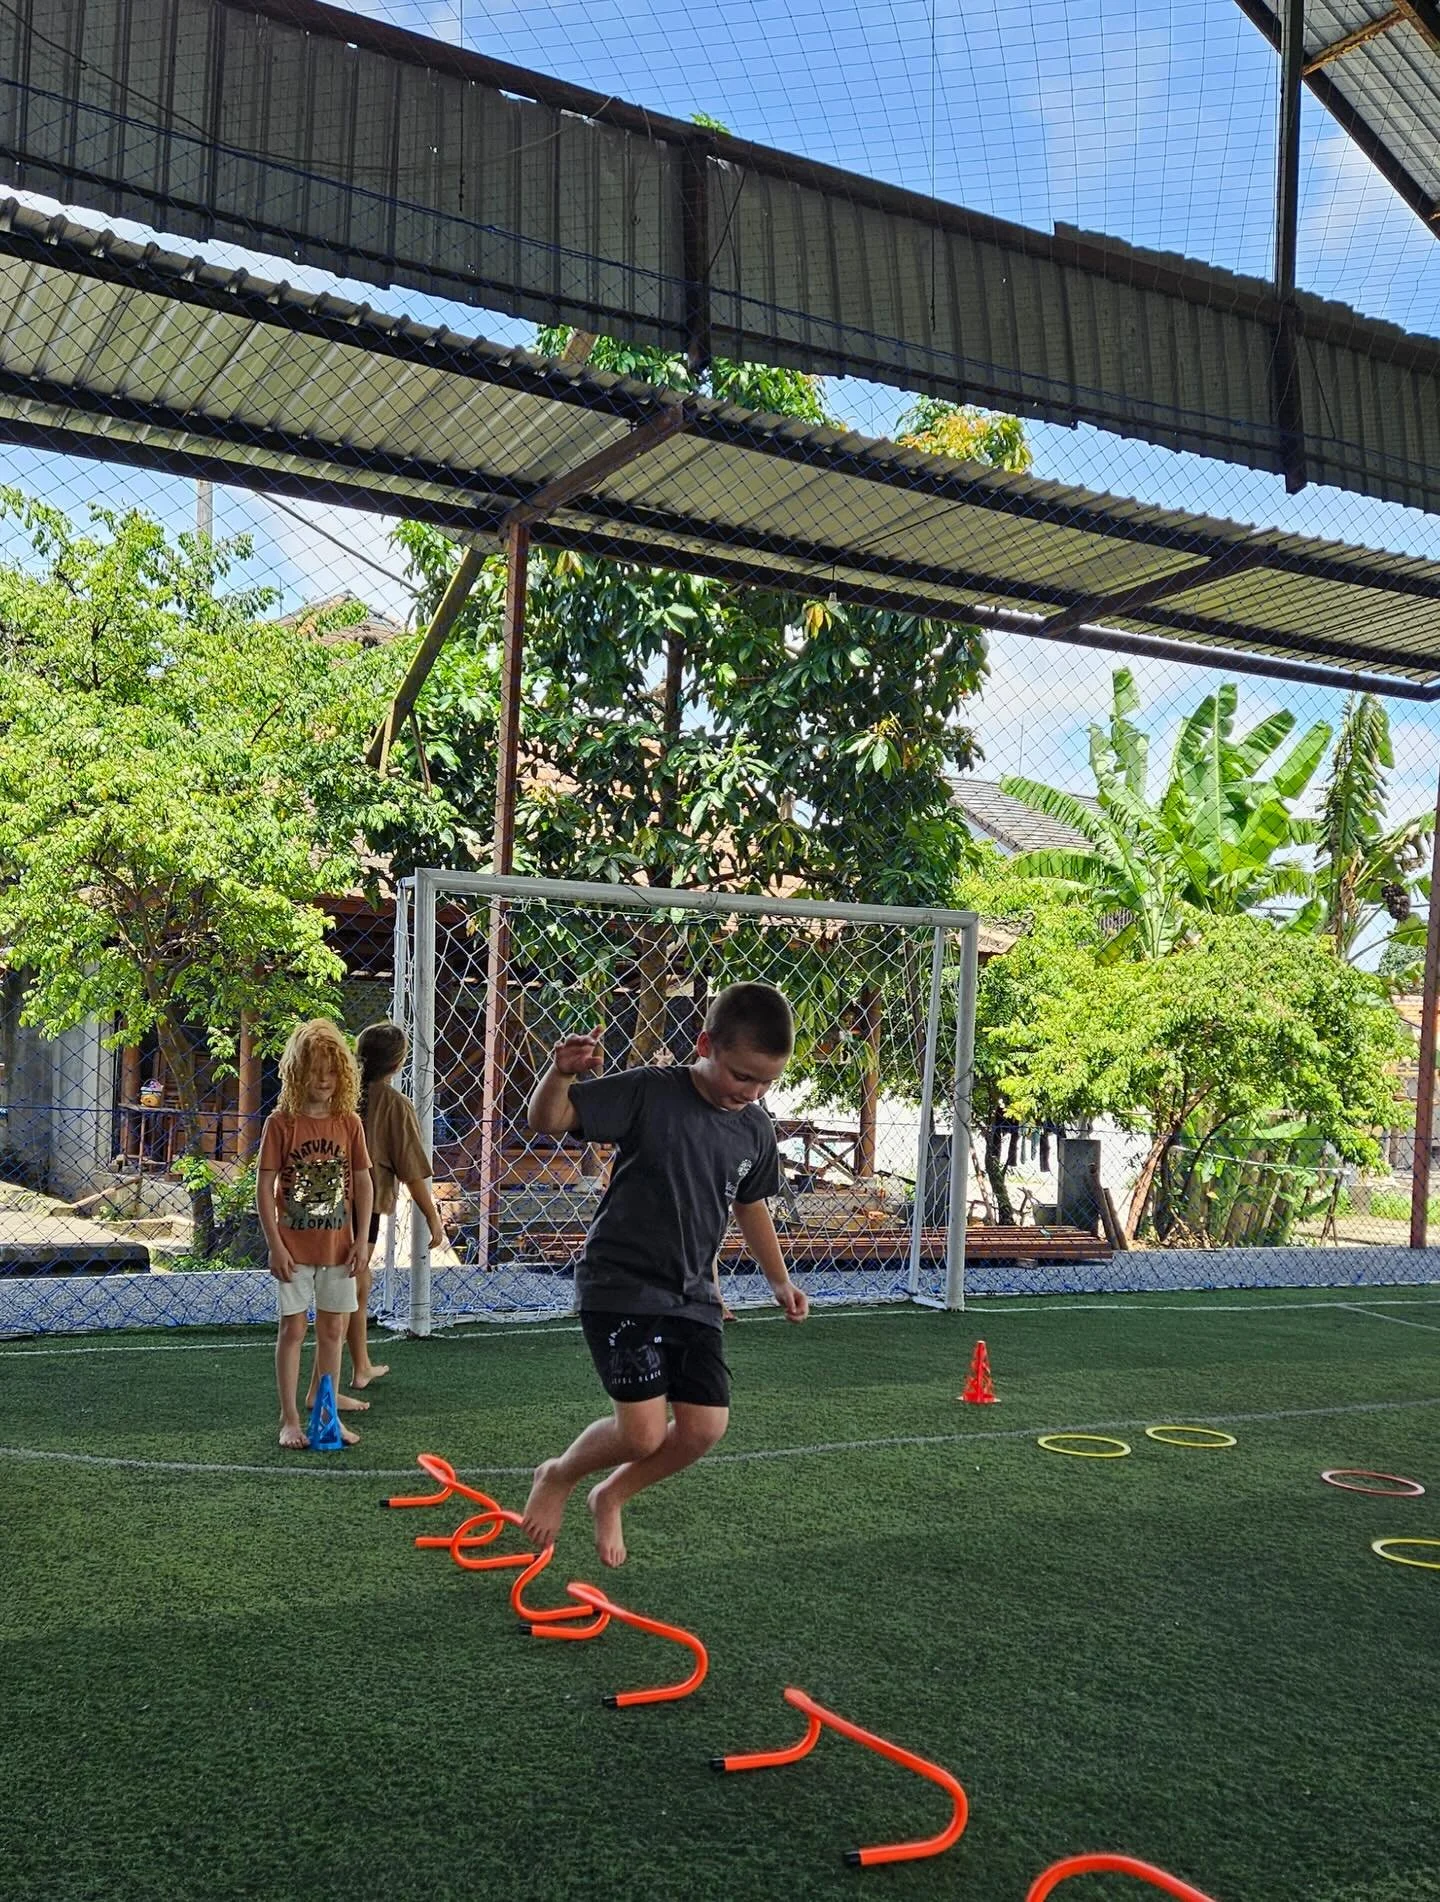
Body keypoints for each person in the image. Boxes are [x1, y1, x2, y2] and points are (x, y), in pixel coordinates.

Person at [520, 981, 809, 1566]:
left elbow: (749, 1208)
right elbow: (550, 1120)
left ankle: (612, 1493)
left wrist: (779, 1280)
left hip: (694, 1294)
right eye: (741, 1076)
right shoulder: (651, 1092)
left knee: (704, 1428)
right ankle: (559, 1473)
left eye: (765, 1083)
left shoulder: (754, 1129)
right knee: (642, 1434)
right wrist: (561, 1075)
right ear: (705, 1044)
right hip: (620, 1284)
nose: (750, 1092)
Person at [257, 1019, 373, 1449]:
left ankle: (326, 1413)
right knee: (292, 1331)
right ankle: (290, 1420)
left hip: (340, 1250)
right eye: (314, 1069)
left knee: (332, 1332)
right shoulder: (281, 1123)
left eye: (331, 1070)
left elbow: (364, 1182)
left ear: (343, 1073)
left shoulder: (350, 1124)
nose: (323, 1079)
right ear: (295, 1072)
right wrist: (275, 1244)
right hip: (293, 1250)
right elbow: (263, 1188)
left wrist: (361, 1240)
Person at [352, 1021, 448, 1390]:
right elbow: (412, 1173)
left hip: (326, 1201)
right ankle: (357, 1368)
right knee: (355, 1286)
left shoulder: (341, 1095)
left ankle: (359, 1363)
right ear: (398, 1063)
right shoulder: (394, 1104)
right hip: (365, 1206)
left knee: (349, 1284)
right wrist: (433, 1218)